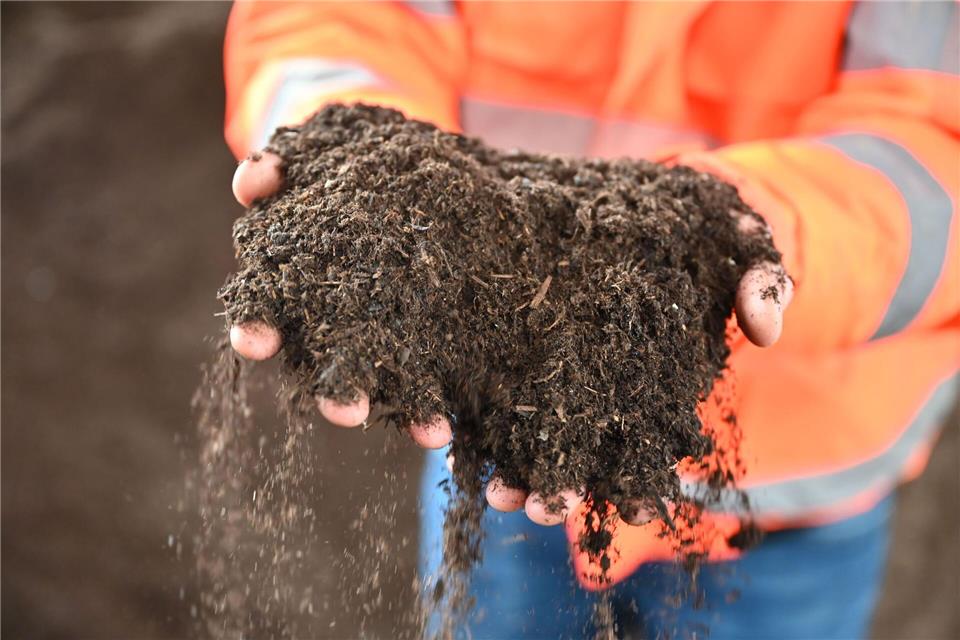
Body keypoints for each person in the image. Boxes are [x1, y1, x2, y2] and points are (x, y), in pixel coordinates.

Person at [221, 1, 959, 637]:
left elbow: (933, 133)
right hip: (501, 417)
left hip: (792, 493)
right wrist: (348, 139)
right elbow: (342, 16)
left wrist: (770, 228)